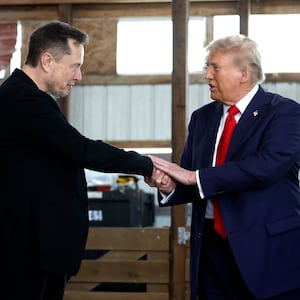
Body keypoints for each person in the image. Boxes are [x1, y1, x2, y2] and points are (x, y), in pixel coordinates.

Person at [0, 20, 173, 300]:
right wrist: (149, 165)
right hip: (27, 251)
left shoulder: (30, 98)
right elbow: (81, 150)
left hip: (36, 248)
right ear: (47, 60)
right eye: (75, 65)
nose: (79, 76)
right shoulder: (22, 99)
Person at [147, 35, 300, 300]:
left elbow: (267, 166)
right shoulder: (201, 118)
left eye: (215, 67)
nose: (206, 75)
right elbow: (192, 178)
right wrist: (169, 184)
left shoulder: (285, 113)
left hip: (266, 251)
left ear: (244, 73)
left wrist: (194, 177)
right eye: (207, 67)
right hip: (211, 248)